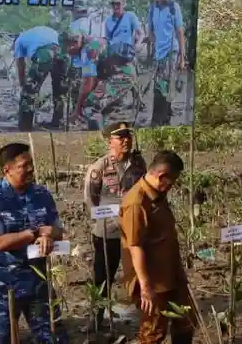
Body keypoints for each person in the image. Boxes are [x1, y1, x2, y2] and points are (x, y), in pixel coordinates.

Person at [0, 142, 67, 344]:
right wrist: (33, 234)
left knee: (53, 336)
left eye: (30, 164)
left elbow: (58, 232)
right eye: (23, 166)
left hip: (38, 281)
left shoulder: (41, 195)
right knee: (0, 339)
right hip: (2, 285)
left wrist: (48, 236)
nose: (30, 169)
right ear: (6, 170)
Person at [121, 150, 191, 344]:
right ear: (161, 176)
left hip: (170, 273)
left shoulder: (158, 194)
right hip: (152, 281)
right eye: (171, 182)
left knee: (185, 322)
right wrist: (145, 287)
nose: (172, 186)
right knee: (153, 332)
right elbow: (135, 246)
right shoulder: (136, 203)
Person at [85, 122, 147, 328]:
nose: (126, 140)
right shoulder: (99, 167)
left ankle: (144, 316)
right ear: (109, 141)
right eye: (120, 137)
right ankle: (96, 319)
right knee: (103, 277)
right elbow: (91, 199)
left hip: (133, 229)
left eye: (128, 135)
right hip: (107, 231)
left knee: (137, 272)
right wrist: (107, 217)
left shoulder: (139, 164)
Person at [146, 0, 186, 127]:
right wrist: (153, 43)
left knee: (162, 87)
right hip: (159, 54)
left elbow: (180, 31)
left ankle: (157, 121)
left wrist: (182, 57)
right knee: (162, 86)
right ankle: (165, 119)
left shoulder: (173, 7)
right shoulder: (152, 9)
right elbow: (150, 31)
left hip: (171, 52)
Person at [13, 26, 66, 130]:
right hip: (62, 52)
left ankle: (25, 126)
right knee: (59, 91)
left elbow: (21, 65)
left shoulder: (18, 41)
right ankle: (57, 122)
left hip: (45, 54)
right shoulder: (35, 32)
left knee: (29, 93)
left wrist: (23, 84)